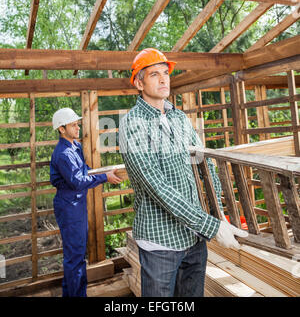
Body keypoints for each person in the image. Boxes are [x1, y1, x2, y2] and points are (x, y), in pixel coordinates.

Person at [119, 48, 248, 297]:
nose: (163, 79)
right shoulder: (131, 124)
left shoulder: (179, 117)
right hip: (161, 243)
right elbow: (156, 186)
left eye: (166, 73)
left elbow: (203, 164)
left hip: (194, 237)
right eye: (154, 74)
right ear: (138, 82)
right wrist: (210, 226)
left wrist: (216, 209)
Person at [50, 107, 122, 297]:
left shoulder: (75, 147)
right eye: (73, 124)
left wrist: (104, 173)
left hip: (77, 205)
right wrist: (105, 178)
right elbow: (77, 181)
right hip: (69, 207)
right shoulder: (63, 154)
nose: (78, 127)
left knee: (77, 254)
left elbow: (86, 171)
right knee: (75, 257)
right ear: (61, 129)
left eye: (77, 123)